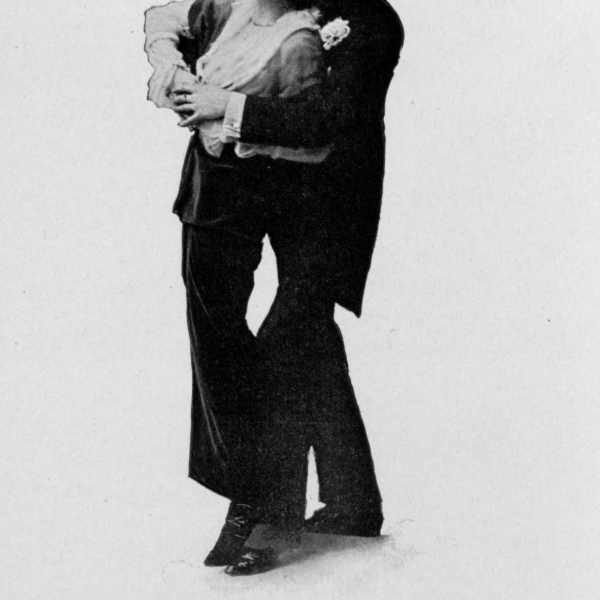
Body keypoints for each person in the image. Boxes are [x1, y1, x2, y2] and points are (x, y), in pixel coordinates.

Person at [144, 0, 404, 575]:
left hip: (319, 195)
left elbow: (329, 117)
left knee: (291, 335)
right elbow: (172, 20)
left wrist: (224, 103)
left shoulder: (370, 21)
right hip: (221, 179)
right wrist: (171, 67)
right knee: (225, 333)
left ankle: (267, 507)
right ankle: (351, 499)